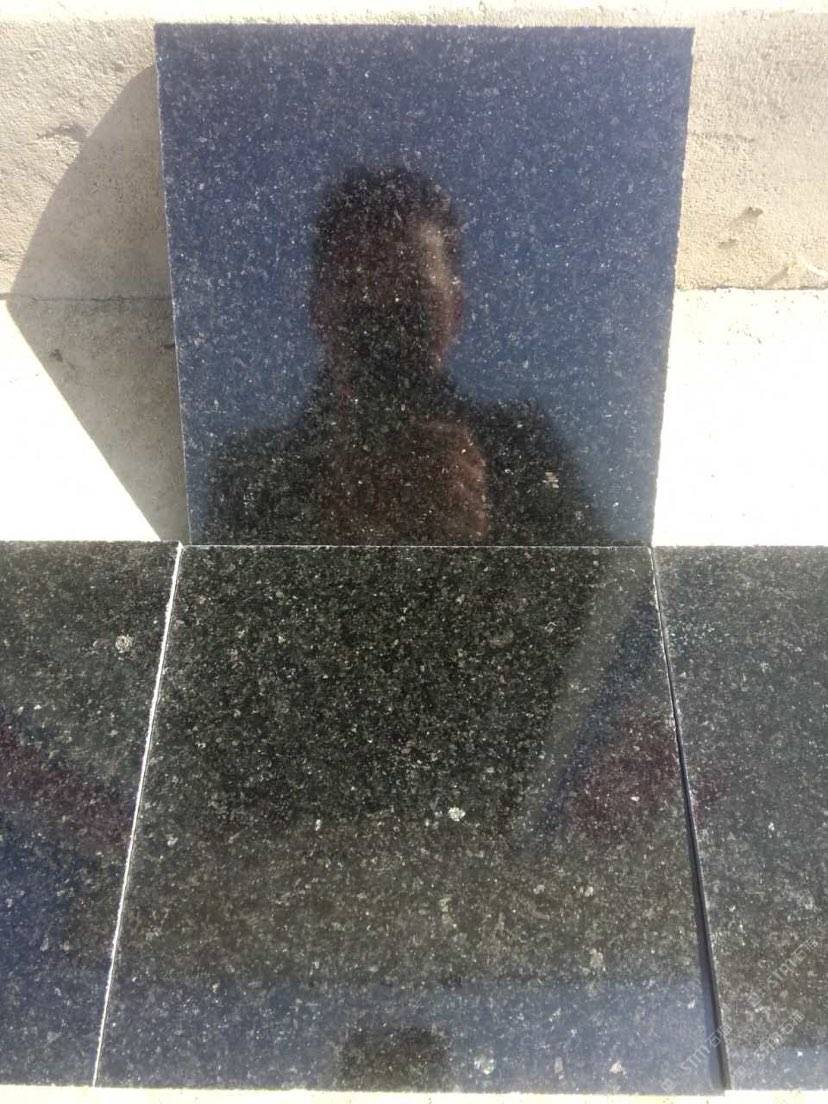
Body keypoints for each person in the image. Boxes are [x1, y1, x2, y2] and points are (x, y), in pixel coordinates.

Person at [208, 167, 596, 544]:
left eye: (414, 298)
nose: (384, 320)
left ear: (456, 310)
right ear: (317, 311)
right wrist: (318, 517)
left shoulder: (524, 452)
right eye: (356, 293)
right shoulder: (252, 475)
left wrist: (488, 528)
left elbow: (593, 582)